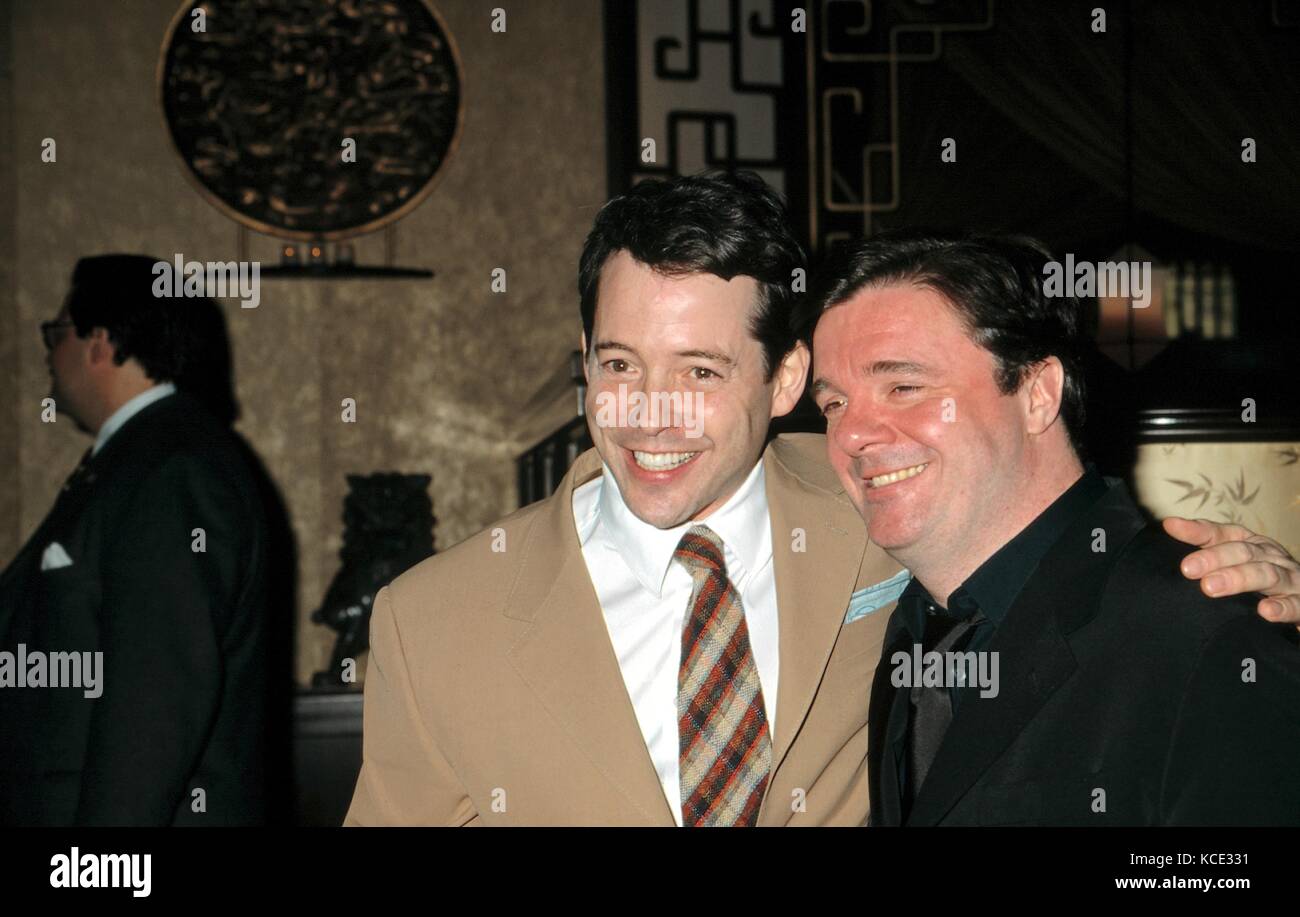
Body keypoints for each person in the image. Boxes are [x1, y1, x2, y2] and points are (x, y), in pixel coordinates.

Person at [346, 172, 1299, 827]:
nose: (652, 413)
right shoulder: (433, 625)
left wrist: (1253, 593)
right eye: (619, 364)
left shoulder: (886, 516)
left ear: (786, 376)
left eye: (703, 369)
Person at [809, 230, 1300, 825]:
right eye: (834, 403)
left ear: (1038, 394)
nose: (852, 434)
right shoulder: (909, 626)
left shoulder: (1203, 618)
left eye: (904, 387)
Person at [0, 254, 275, 825]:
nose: (49, 354)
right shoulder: (143, 459)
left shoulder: (171, 467)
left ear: (100, 341)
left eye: (58, 332)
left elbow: (153, 704)